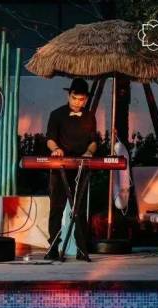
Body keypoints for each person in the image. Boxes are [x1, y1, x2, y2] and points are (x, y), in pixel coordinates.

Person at [44, 78, 98, 262]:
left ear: (86, 99)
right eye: (74, 98)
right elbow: (50, 139)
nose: (77, 103)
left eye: (81, 100)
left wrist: (89, 152)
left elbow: (93, 141)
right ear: (69, 95)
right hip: (60, 166)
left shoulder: (90, 116)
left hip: (81, 165)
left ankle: (82, 249)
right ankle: (53, 247)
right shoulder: (56, 114)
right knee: (56, 208)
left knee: (79, 209)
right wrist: (55, 149)